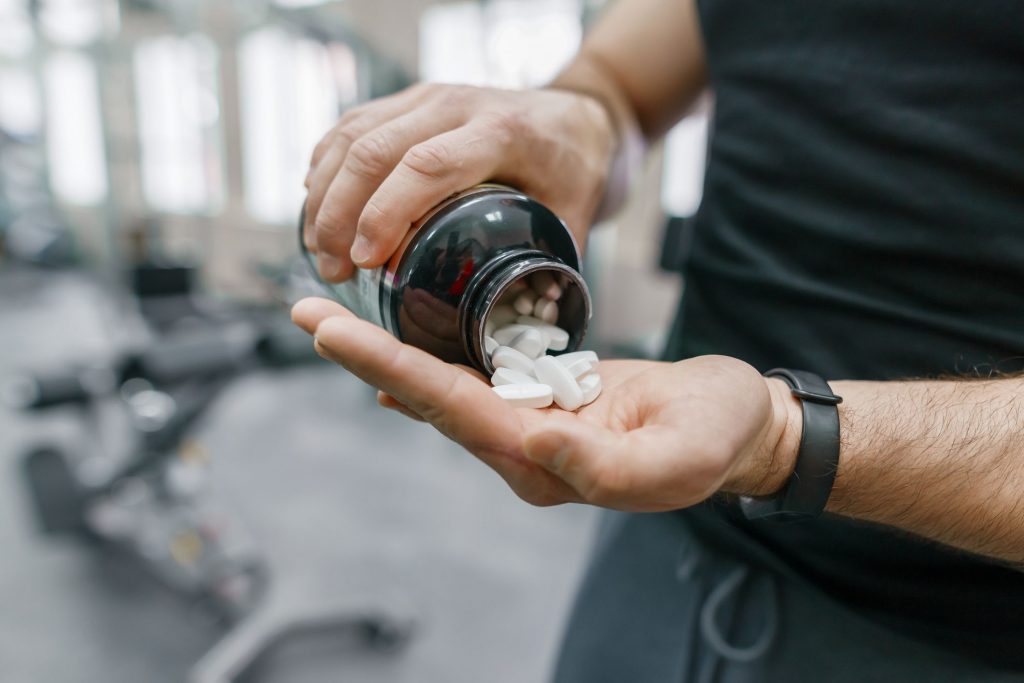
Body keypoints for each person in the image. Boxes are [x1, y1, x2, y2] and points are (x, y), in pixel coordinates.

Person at [291, 0, 1024, 679]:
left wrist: (783, 435)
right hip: (663, 538)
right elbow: (619, 83)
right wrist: (582, 120)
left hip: (936, 630)